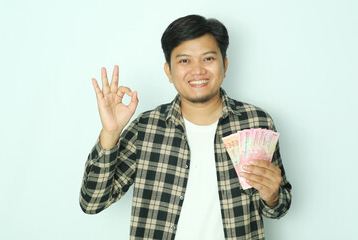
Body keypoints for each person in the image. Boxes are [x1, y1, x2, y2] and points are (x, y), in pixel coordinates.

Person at [80, 14, 292, 240]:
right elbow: (92, 202)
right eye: (184, 61)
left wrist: (273, 196)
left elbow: (279, 207)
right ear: (169, 72)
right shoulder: (146, 128)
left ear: (225, 64)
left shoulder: (256, 122)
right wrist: (110, 133)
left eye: (208, 59)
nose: (198, 70)